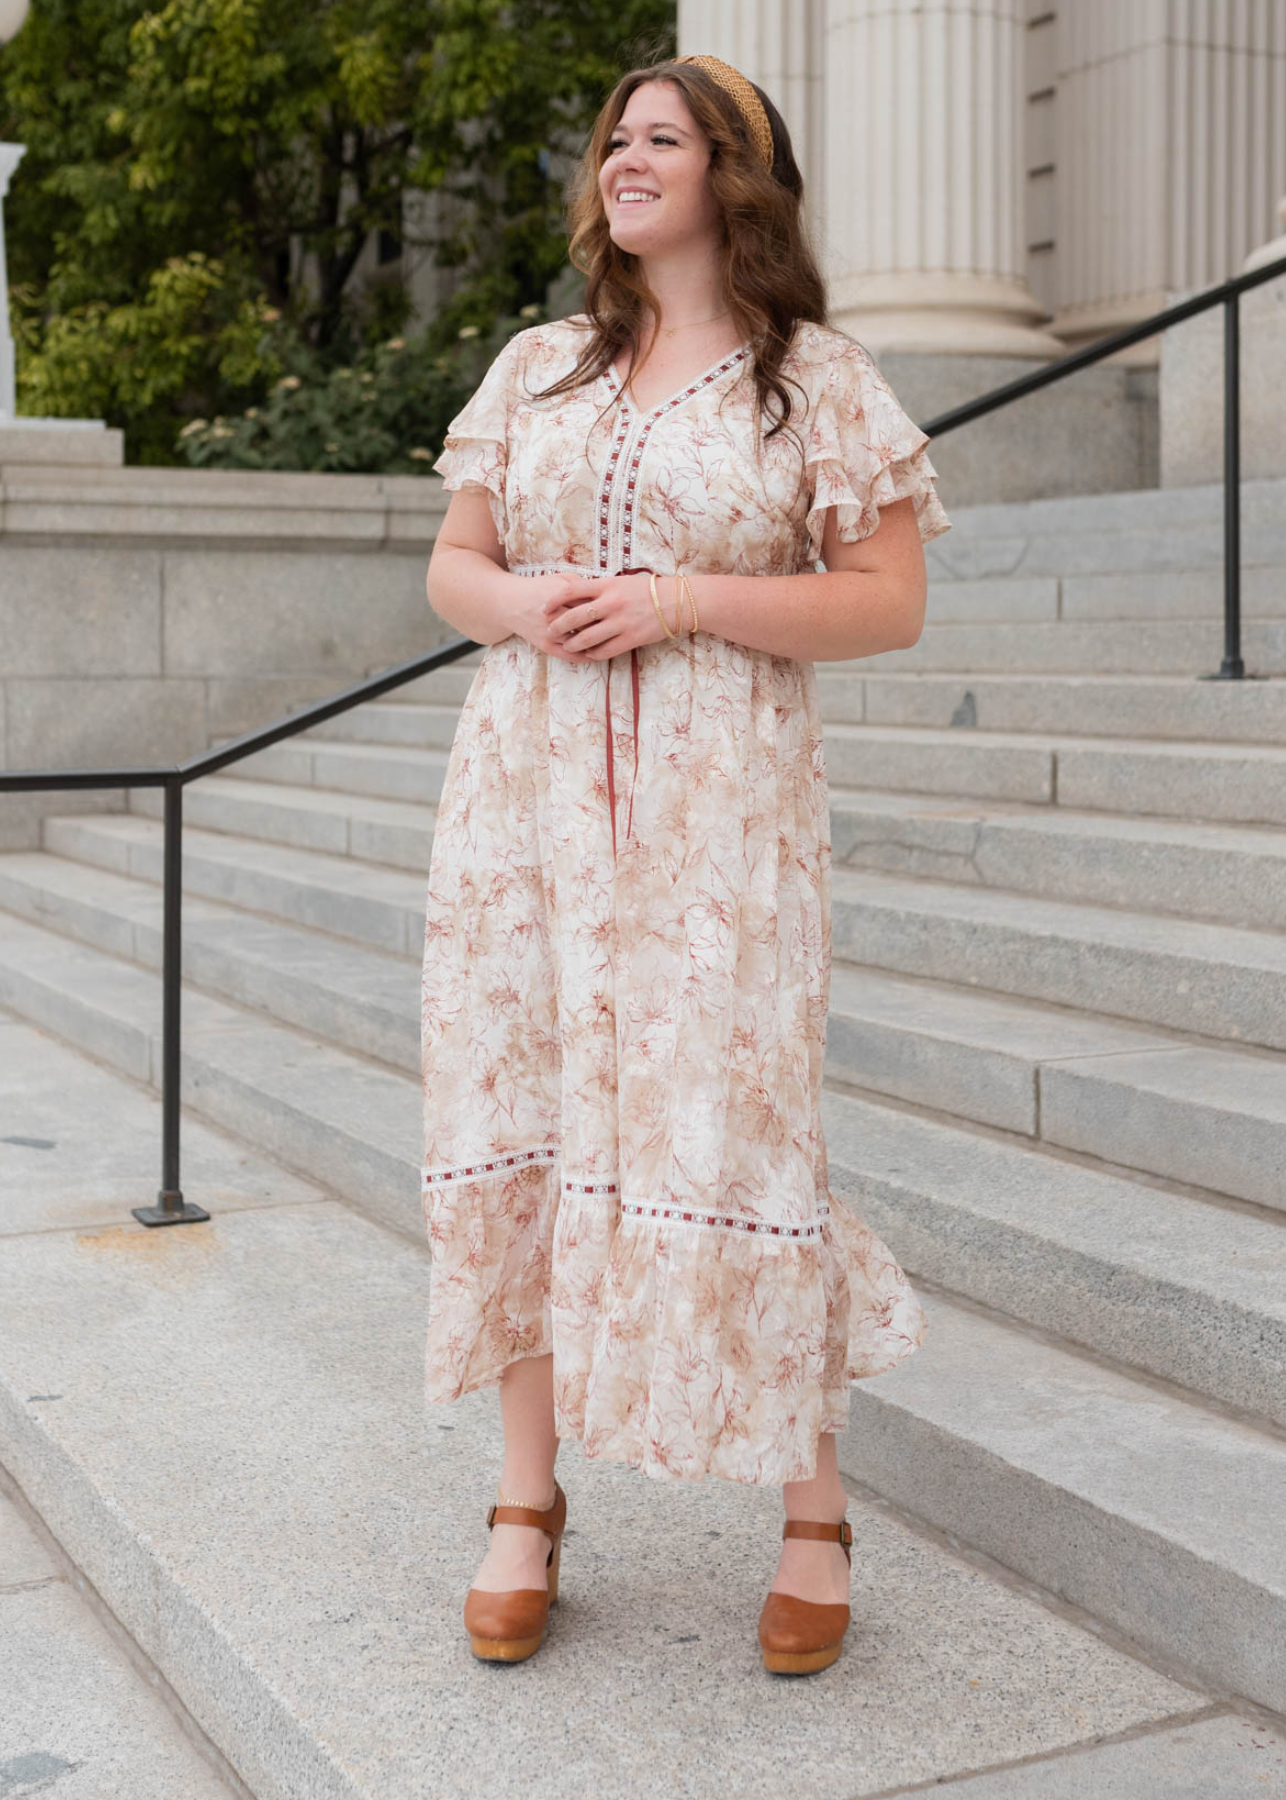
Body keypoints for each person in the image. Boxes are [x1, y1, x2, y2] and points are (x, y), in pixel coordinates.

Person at [421, 50, 952, 1676]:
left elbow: (886, 600)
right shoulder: (536, 368)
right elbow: (456, 562)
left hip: (719, 831)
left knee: (731, 1132)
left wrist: (680, 599)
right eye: (613, 140)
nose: (625, 159)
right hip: (521, 815)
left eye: (663, 138)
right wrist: (524, 603)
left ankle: (812, 1511)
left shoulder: (821, 383)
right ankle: (526, 1503)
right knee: (515, 1116)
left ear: (734, 173)